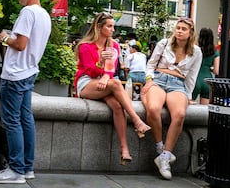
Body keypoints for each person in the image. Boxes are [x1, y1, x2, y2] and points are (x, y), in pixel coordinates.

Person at [0, 0, 51, 184]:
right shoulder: (44, 14)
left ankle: (15, 169)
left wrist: (4, 38)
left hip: (15, 74)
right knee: (25, 120)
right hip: (29, 72)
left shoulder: (27, 12)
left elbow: (20, 44)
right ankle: (27, 167)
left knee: (12, 121)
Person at [74, 12, 151, 165]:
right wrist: (100, 62)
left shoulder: (114, 45)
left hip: (105, 82)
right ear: (98, 27)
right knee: (116, 84)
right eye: (109, 26)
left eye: (113, 26)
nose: (112, 30)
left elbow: (111, 69)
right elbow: (90, 71)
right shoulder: (85, 46)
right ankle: (137, 121)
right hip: (87, 82)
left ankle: (124, 150)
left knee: (116, 105)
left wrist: (105, 76)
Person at [143, 17, 202, 179]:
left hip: (178, 84)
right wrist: (149, 81)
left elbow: (192, 76)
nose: (179, 31)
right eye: (178, 28)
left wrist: (188, 96)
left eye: (183, 29)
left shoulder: (196, 51)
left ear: (190, 33)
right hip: (159, 79)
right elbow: (150, 65)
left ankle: (165, 157)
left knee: (180, 114)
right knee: (153, 108)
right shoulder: (163, 44)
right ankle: (161, 150)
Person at [192, 27, 219, 104]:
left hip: (195, 79)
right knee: (204, 111)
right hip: (208, 81)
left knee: (189, 107)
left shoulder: (195, 49)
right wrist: (209, 68)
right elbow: (216, 71)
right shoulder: (215, 52)